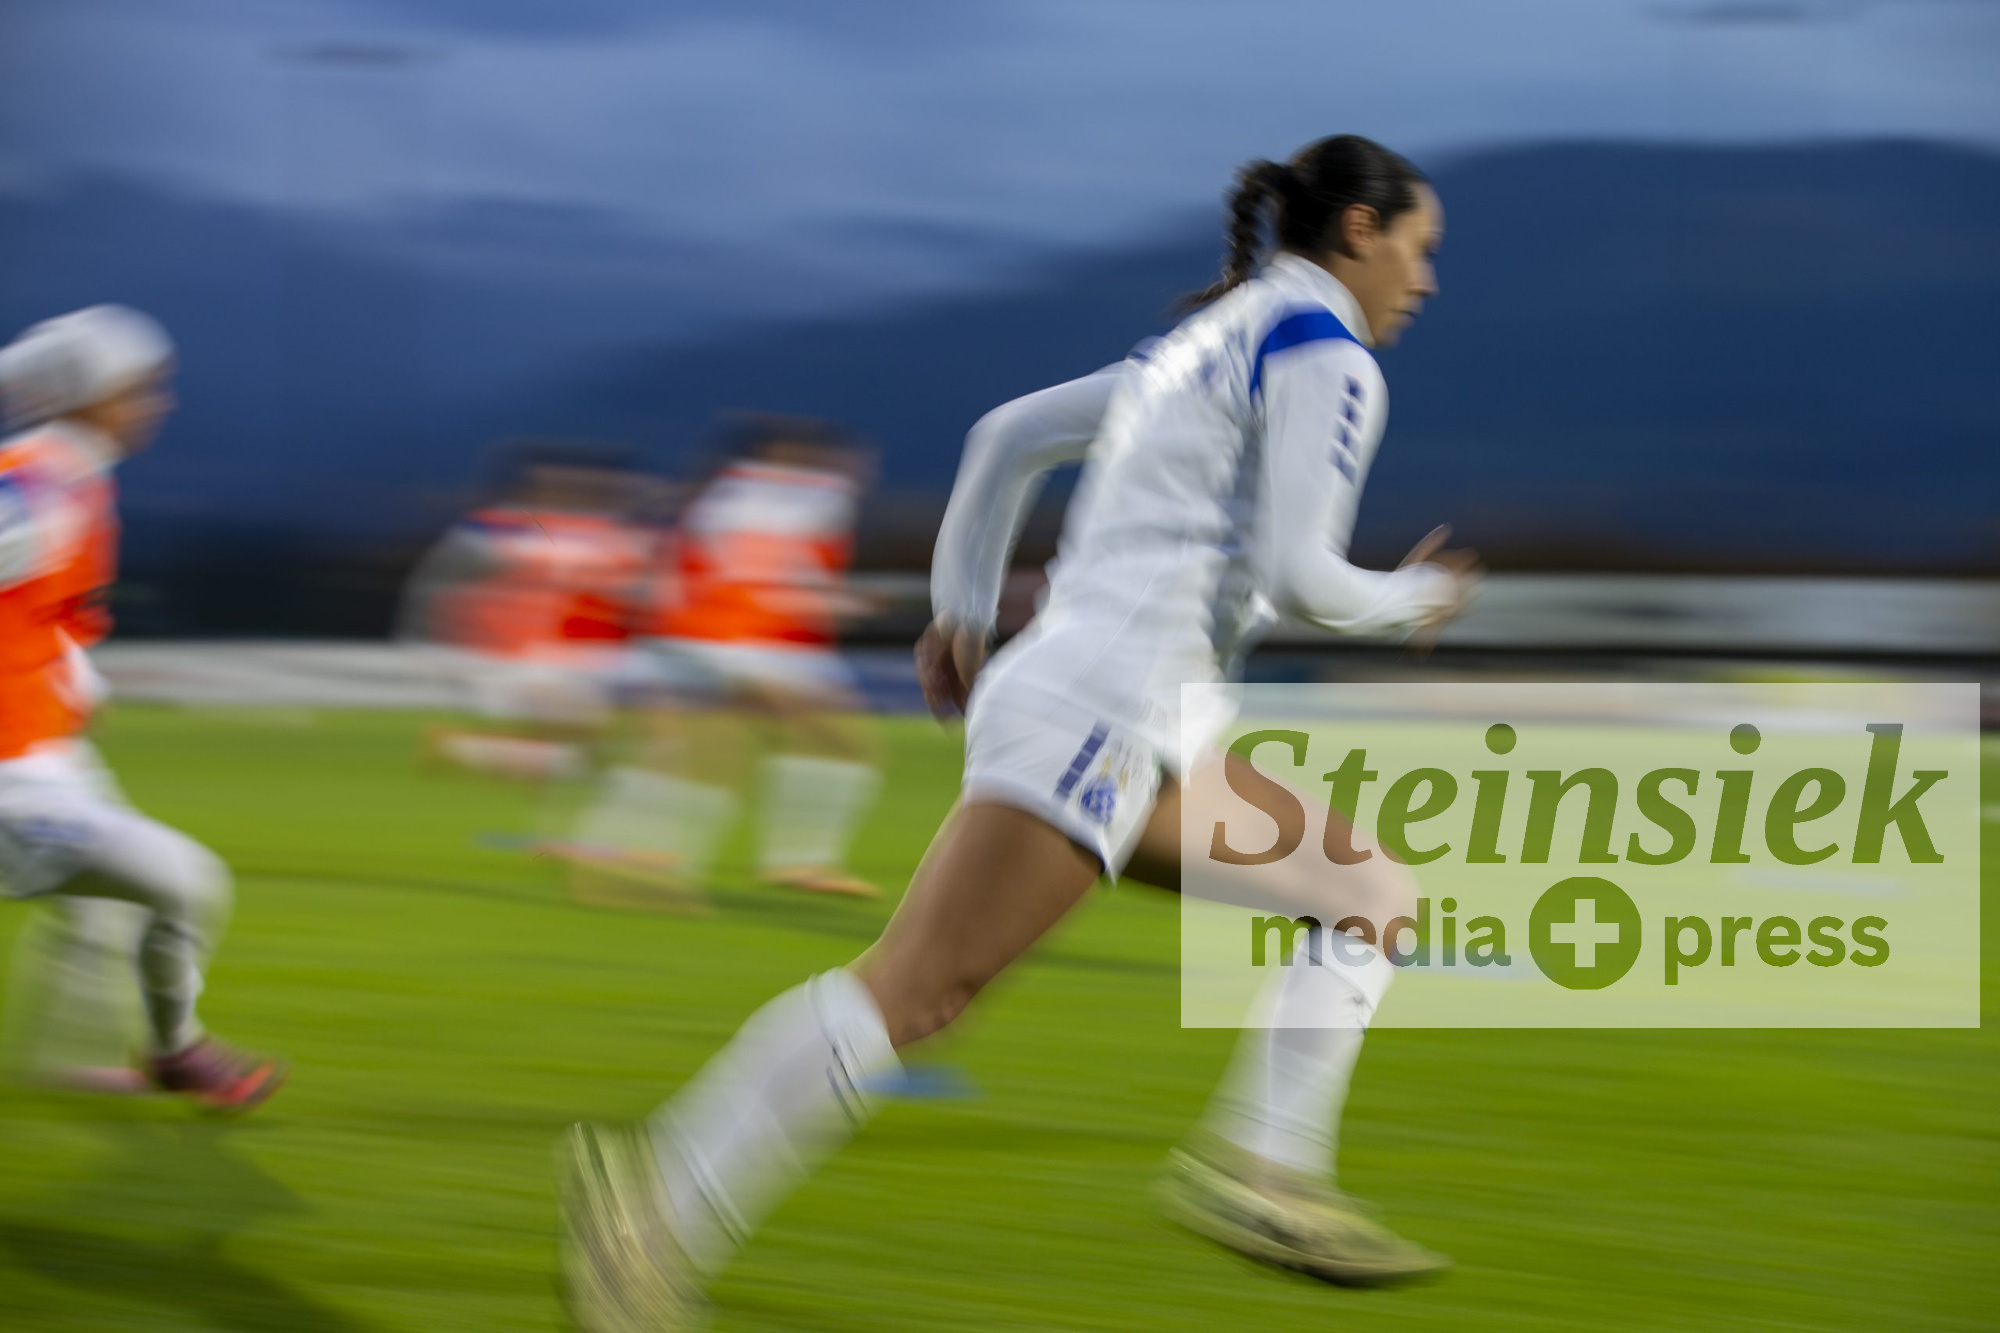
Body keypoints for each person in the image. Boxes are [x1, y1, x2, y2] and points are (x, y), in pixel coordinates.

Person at [556, 134, 1481, 1329]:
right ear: (1358, 229)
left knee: (1365, 891)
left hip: (1122, 717)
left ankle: (1264, 1170)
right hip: (1102, 713)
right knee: (915, 991)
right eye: (1419, 248)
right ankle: (654, 1205)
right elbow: (1304, 577)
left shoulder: (1201, 340)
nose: (1425, 279)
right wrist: (1414, 597)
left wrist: (959, 610)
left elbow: (1005, 437)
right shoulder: (1322, 350)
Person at [0, 305, 284, 1110]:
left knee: (107, 909)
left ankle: (84, 1067)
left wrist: (75, 682)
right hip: (13, 777)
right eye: (141, 386)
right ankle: (175, 1052)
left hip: (46, 758)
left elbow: (40, 615)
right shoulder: (42, 483)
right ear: (88, 393)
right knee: (187, 882)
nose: (159, 402)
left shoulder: (68, 476)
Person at [566, 417, 883, 899]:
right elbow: (761, 575)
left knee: (708, 751)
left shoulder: (721, 492)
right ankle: (798, 861)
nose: (862, 469)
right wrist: (833, 604)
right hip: (745, 643)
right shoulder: (808, 495)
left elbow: (695, 571)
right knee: (840, 745)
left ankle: (619, 848)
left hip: (683, 638)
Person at [399, 442, 654, 781]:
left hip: (569, 658)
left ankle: (464, 748)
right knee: (582, 756)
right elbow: (441, 585)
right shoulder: (500, 528)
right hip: (519, 658)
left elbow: (634, 596)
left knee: (578, 757)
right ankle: (462, 747)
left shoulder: (611, 535)